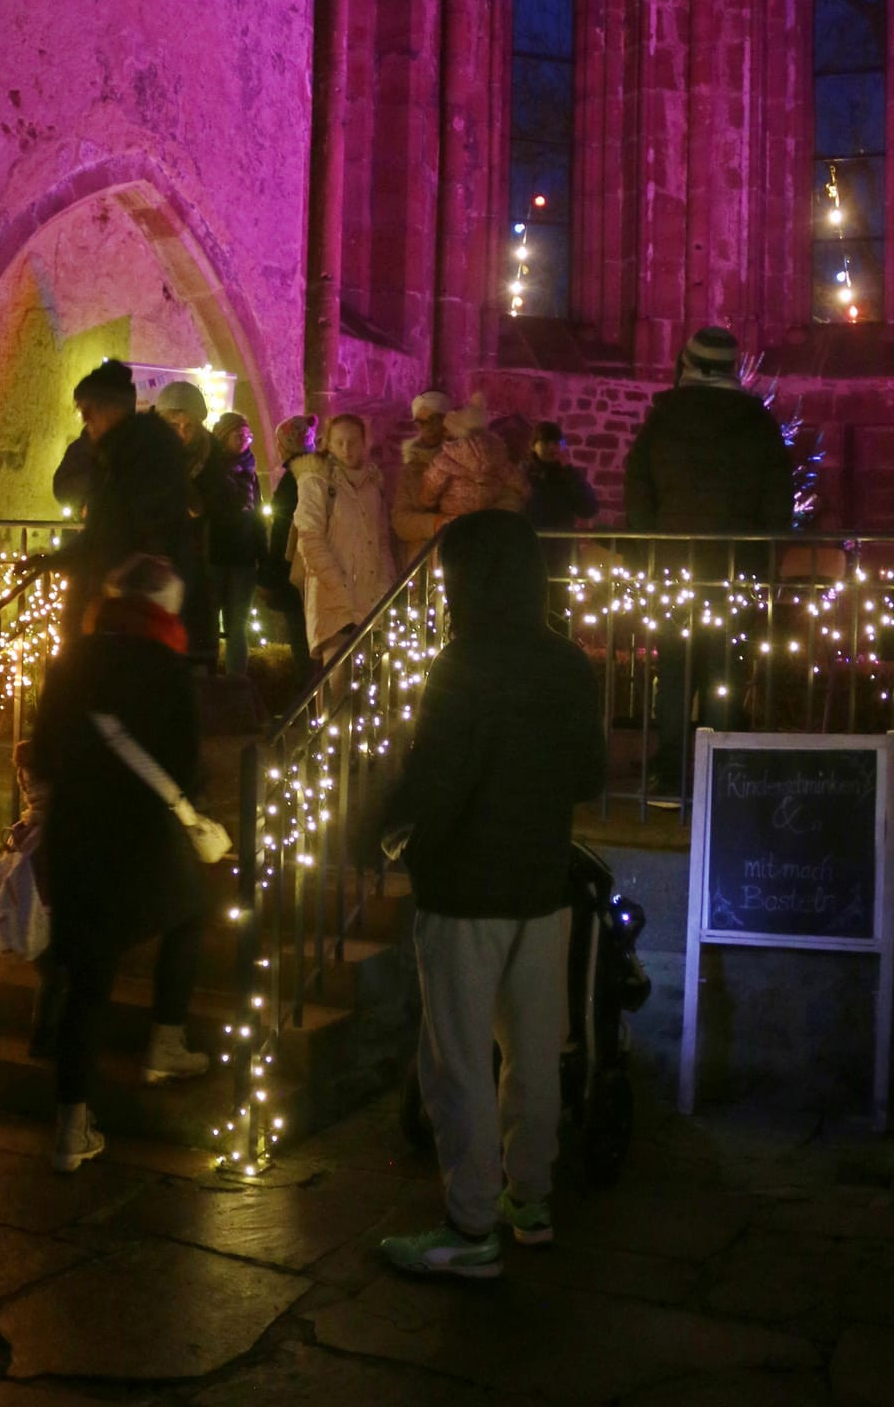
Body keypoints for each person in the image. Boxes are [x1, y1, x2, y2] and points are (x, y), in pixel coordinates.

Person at [376, 510, 606, 1279]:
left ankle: (469, 1225)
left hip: (466, 888)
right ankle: (528, 1199)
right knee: (536, 1051)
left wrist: (385, 827)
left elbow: (433, 778)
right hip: (542, 886)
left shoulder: (463, 662)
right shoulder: (569, 664)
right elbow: (590, 777)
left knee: (459, 1060)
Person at [16, 553, 212, 1174]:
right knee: (191, 912)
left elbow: (42, 748)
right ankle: (167, 1039)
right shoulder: (165, 667)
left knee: (89, 979)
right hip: (143, 839)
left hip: (77, 834)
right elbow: (183, 765)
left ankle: (71, 1127)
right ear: (164, 608)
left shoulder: (72, 659)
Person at [622, 326, 793, 796]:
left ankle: (673, 766)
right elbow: (778, 500)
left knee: (675, 667)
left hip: (675, 565)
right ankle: (723, 767)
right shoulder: (757, 423)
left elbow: (637, 493)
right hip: (737, 567)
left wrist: (650, 548)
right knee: (726, 668)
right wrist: (765, 555)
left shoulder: (664, 420)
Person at [60, 359, 190, 634]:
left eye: (87, 410)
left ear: (110, 408)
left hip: (137, 606)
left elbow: (122, 528)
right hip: (116, 598)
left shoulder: (146, 453)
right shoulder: (108, 454)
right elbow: (100, 527)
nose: (84, 419)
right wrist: (59, 559)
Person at [293, 412, 396, 667]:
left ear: (364, 443)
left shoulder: (373, 486)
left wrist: (385, 586)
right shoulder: (317, 482)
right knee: (336, 683)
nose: (346, 449)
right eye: (339, 442)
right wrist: (340, 586)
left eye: (353, 441)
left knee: (367, 683)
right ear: (328, 443)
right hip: (333, 602)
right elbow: (311, 540)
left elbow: (381, 541)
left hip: (370, 599)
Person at [155, 378, 219, 669]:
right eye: (174, 426)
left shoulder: (212, 455)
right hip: (158, 548)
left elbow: (219, 502)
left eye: (188, 426)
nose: (181, 433)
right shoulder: (148, 453)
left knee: (194, 620)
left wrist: (197, 501)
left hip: (198, 552)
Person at [200, 410, 265, 680]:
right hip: (214, 554)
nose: (243, 440)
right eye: (237, 435)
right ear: (223, 436)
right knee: (209, 621)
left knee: (237, 624)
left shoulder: (250, 471)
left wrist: (262, 552)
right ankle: (208, 676)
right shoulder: (211, 470)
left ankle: (236, 682)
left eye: (247, 435)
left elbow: (258, 513)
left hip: (243, 558)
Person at [259, 413, 317, 679]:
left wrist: (270, 577)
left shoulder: (293, 479)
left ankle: (309, 697)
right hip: (312, 570)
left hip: (294, 569)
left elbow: (281, 532)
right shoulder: (316, 472)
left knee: (301, 639)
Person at [420, 400, 527, 520]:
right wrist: (526, 491)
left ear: (453, 433)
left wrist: (426, 503)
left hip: (456, 517)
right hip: (488, 514)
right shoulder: (496, 452)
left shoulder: (445, 459)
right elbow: (514, 477)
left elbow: (431, 486)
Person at [392, 390, 452, 564]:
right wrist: (434, 523)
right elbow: (400, 521)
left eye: (433, 420)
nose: (428, 428)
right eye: (421, 422)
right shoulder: (410, 471)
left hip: (457, 556)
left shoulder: (465, 459)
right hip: (422, 562)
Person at [525, 421, 598, 532]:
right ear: (533, 446)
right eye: (545, 442)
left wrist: (569, 470)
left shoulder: (568, 476)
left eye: (556, 443)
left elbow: (589, 509)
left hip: (561, 544)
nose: (551, 448)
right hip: (530, 541)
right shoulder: (523, 474)